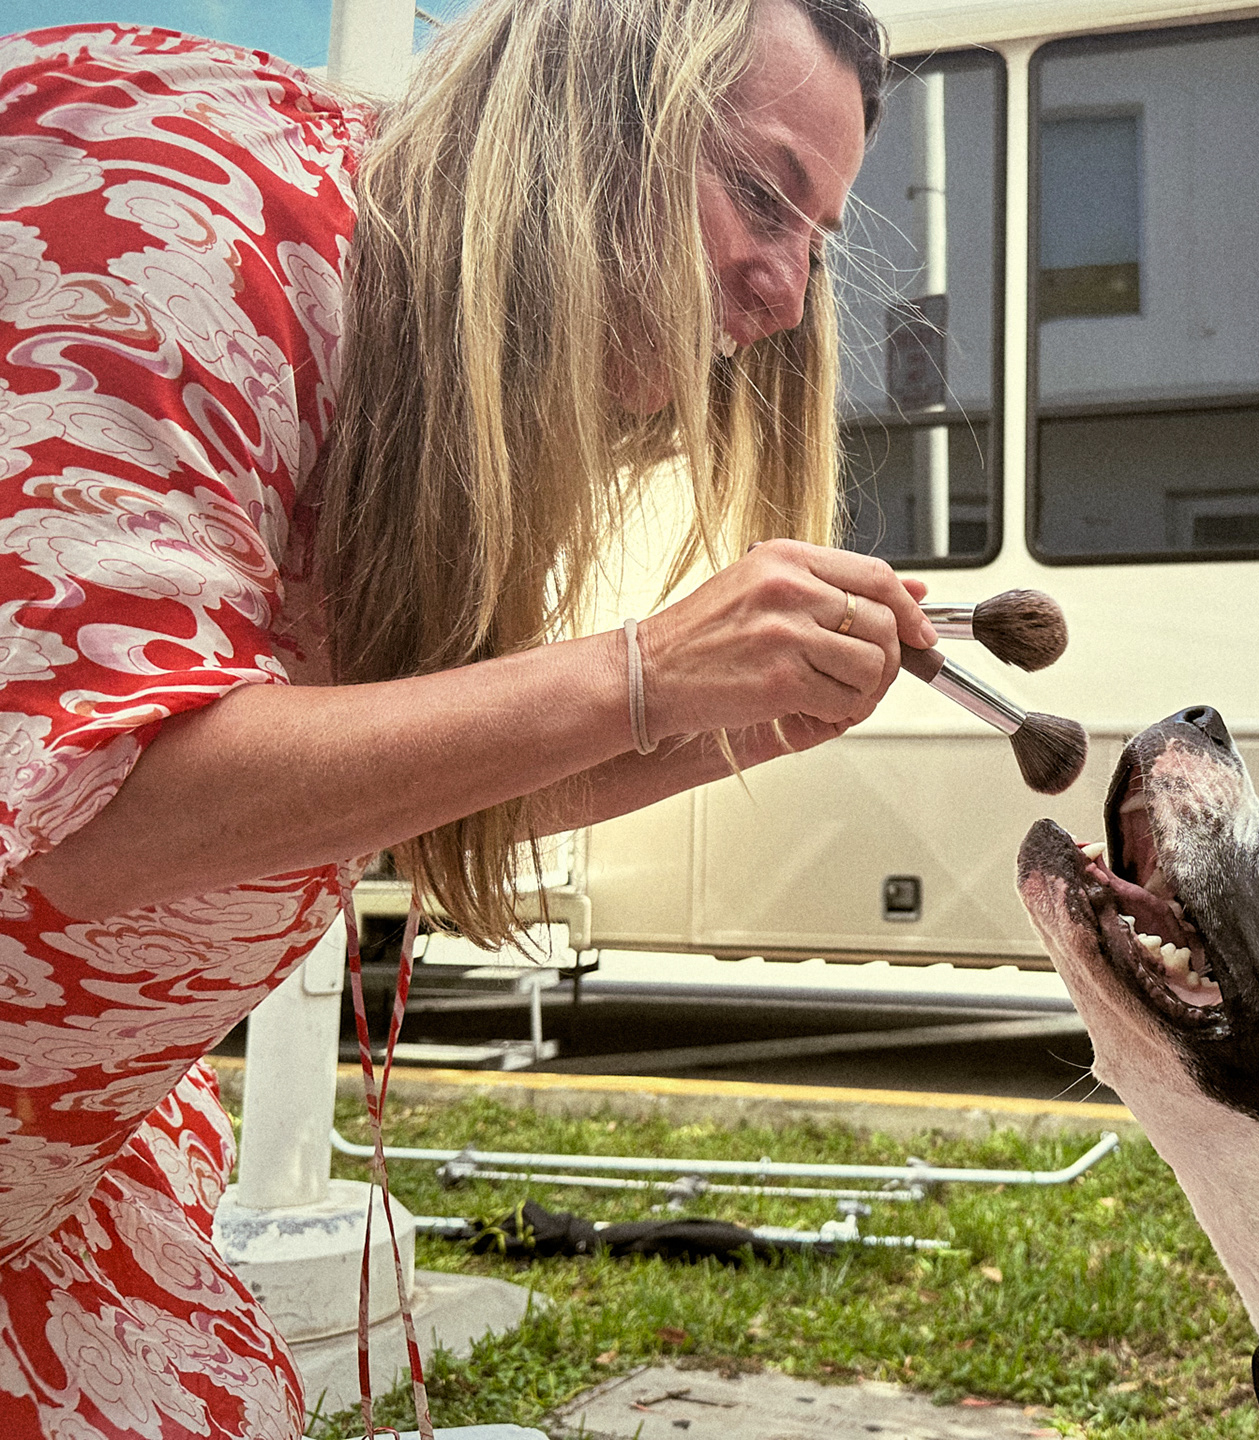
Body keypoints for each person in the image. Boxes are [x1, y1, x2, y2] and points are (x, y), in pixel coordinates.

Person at [0, 0, 929, 1434]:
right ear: (584, 103)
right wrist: (643, 671)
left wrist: (732, 717)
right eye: (762, 194)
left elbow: (399, 795)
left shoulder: (436, 362)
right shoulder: (175, 207)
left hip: (56, 1181)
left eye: (818, 239)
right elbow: (89, 807)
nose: (789, 295)